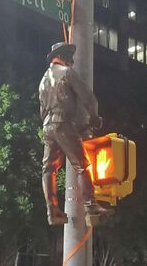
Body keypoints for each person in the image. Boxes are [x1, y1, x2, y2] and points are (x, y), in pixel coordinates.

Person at [39, 42, 113, 226]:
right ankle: (91, 205)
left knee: (49, 169)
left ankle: (52, 210)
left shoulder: (43, 80)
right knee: (82, 165)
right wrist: (95, 117)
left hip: (47, 126)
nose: (72, 61)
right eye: (70, 57)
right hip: (63, 124)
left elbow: (41, 110)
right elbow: (88, 98)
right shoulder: (67, 73)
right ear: (62, 56)